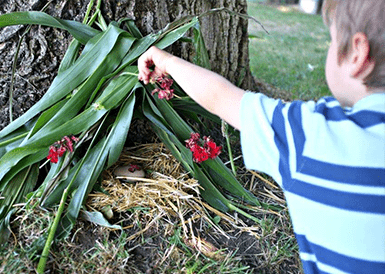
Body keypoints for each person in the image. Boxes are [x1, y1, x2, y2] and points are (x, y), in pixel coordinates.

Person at [138, 0, 385, 273]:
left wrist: (167, 61)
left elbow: (223, 99)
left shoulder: (310, 135)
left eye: (332, 40)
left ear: (357, 55)